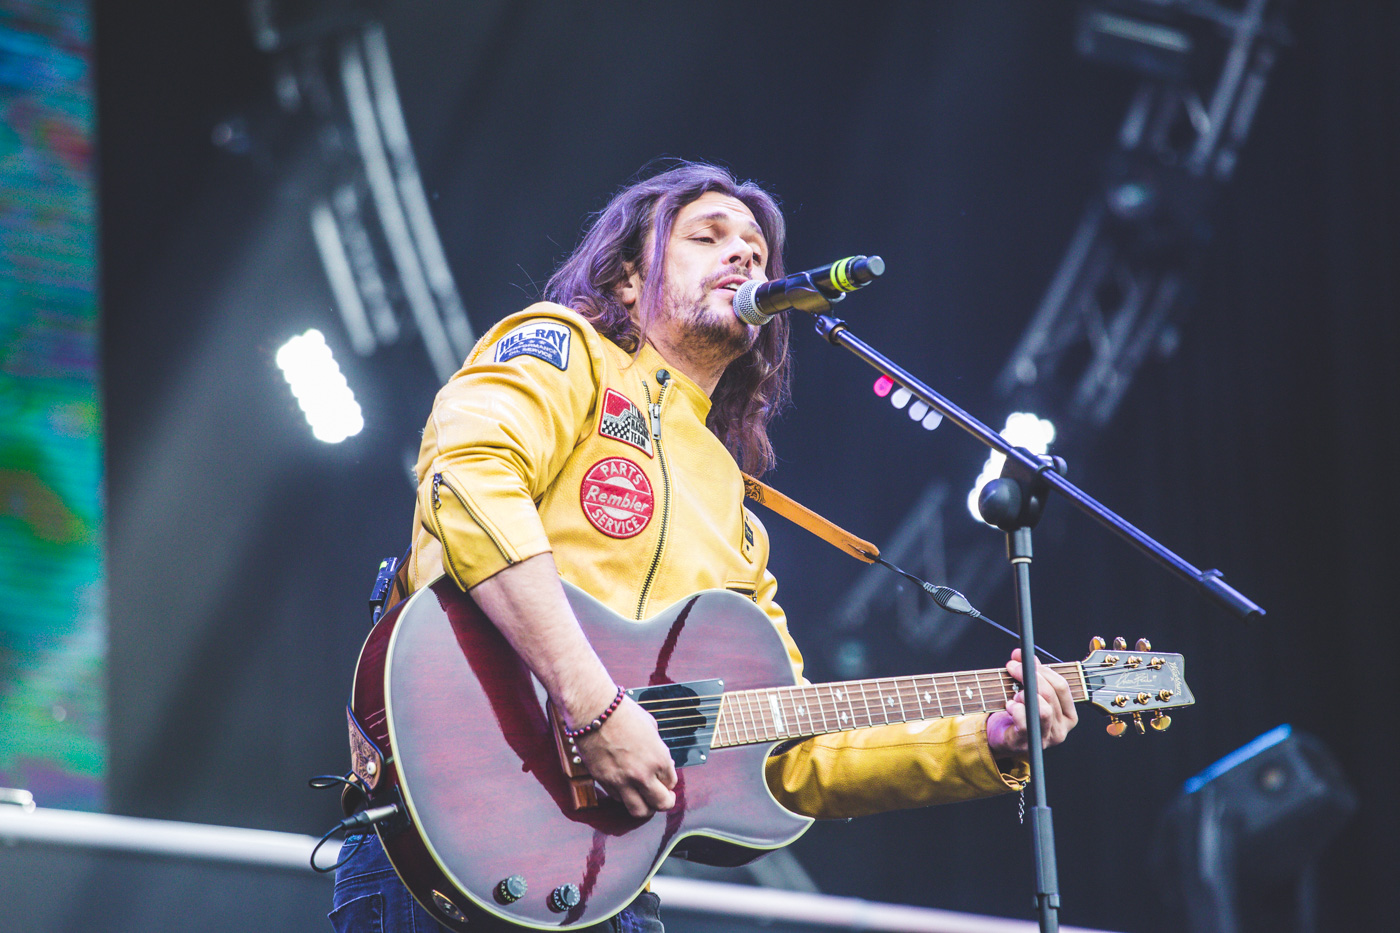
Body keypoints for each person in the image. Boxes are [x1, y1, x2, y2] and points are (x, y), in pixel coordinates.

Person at [329, 161, 1078, 933]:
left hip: (603, 881)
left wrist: (985, 741)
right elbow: (469, 481)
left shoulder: (732, 509)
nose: (744, 254)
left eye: (756, 248)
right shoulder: (566, 350)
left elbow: (789, 754)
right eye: (707, 237)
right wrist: (594, 705)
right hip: (445, 823)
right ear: (628, 279)